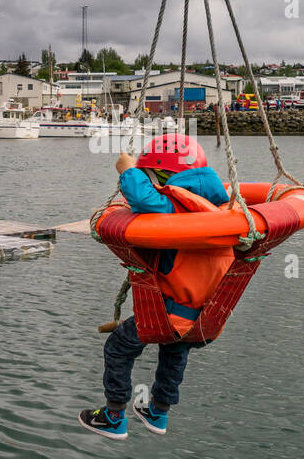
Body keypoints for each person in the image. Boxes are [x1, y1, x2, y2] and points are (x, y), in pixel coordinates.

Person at [78, 134, 234, 439]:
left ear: (161, 176)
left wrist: (127, 170)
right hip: (203, 320)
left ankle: (113, 416)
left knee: (119, 347)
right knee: (175, 351)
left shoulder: (173, 207)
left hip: (168, 314)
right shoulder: (216, 207)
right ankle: (159, 413)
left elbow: (142, 198)